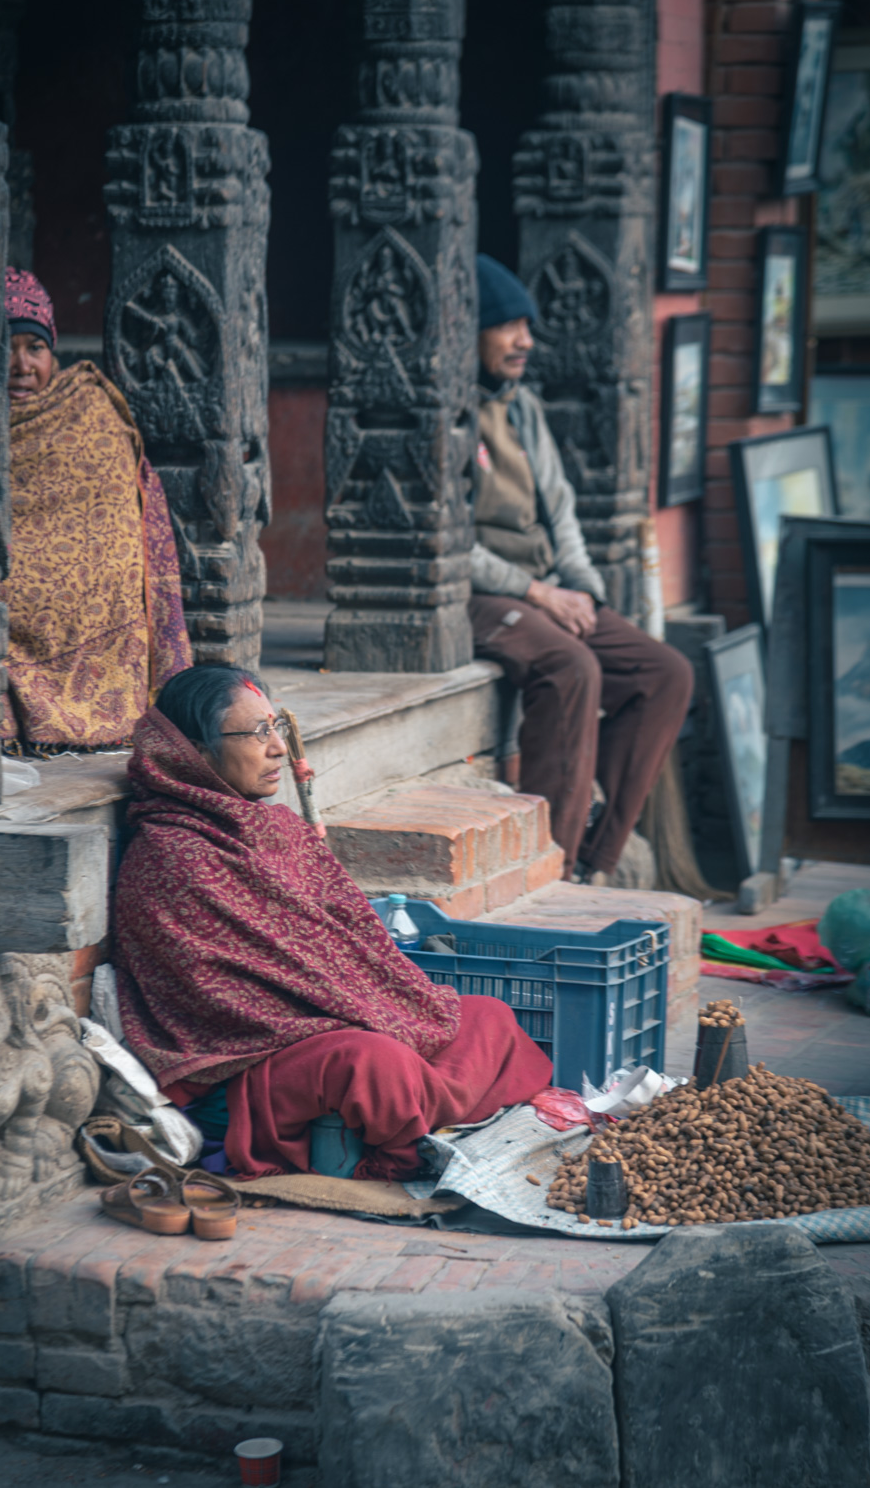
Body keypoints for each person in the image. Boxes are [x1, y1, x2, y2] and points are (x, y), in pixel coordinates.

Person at [112, 664, 553, 1181]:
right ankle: (399, 1156)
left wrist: (373, 1004)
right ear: (196, 752)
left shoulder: (275, 825)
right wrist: (350, 1014)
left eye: (277, 727)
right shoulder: (171, 855)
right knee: (372, 1065)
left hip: (329, 1017)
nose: (279, 747)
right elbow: (213, 996)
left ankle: (424, 1116)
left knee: (487, 1017)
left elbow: (348, 938)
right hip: (249, 1061)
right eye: (258, 734)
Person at [469, 255, 694, 881]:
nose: (525, 342)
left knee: (664, 673)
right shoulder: (445, 415)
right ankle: (552, 864)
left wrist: (583, 591)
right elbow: (440, 545)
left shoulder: (520, 406)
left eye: (527, 326)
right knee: (571, 667)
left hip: (545, 588)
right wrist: (538, 592)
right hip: (475, 593)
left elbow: (560, 510)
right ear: (469, 331)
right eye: (508, 326)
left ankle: (595, 855)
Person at [0, 267, 191, 753]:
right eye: (4, 346)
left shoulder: (89, 412)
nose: (21, 364)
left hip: (97, 616)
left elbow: (120, 532)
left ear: (53, 352)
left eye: (34, 348)